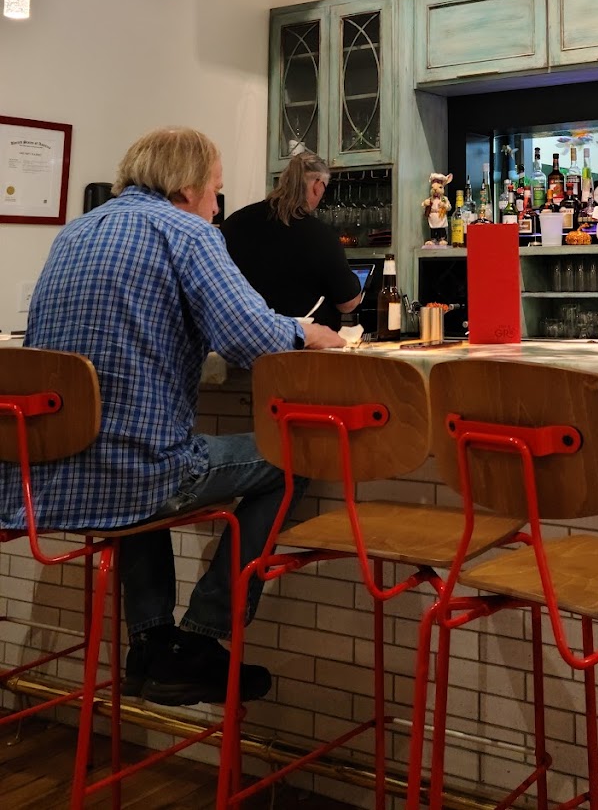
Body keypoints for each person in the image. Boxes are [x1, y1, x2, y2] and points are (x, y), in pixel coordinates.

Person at [0, 127, 341, 707]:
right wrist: (307, 331)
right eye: (215, 191)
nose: (217, 207)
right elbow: (250, 338)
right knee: (296, 451)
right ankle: (202, 637)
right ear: (186, 187)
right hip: (136, 473)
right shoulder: (188, 233)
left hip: (44, 478)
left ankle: (154, 645)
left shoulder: (75, 232)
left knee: (135, 471)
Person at [221, 153, 363, 331]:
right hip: (303, 344)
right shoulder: (320, 235)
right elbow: (348, 304)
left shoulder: (235, 222)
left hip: (238, 337)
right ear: (318, 186)